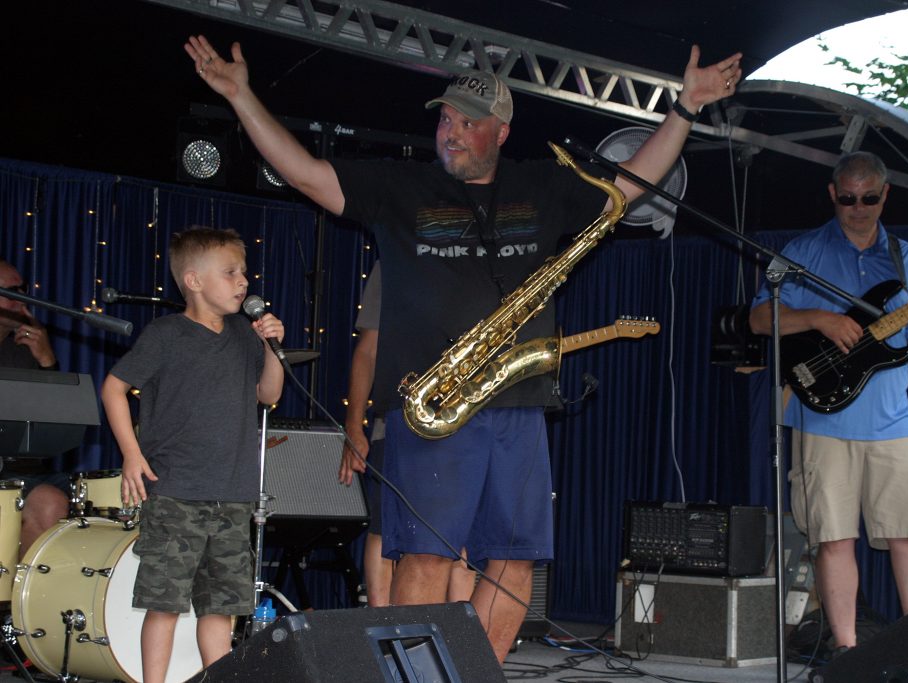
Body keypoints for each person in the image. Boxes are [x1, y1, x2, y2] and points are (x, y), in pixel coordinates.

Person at [186, 34, 741, 662]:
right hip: (435, 403)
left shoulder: (543, 186)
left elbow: (632, 184)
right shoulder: (403, 188)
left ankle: (476, 673)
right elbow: (305, 173)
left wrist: (686, 108)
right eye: (445, 119)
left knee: (516, 558)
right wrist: (240, 95)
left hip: (518, 402)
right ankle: (412, 675)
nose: (449, 131)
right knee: (425, 553)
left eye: (466, 122)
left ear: (501, 132)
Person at [748, 151, 908, 656]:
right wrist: (819, 317)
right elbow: (757, 319)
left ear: (885, 196)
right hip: (821, 416)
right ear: (832, 195)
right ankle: (847, 651)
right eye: (847, 198)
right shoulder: (803, 250)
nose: (858, 207)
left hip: (892, 422)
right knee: (834, 539)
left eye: (869, 198)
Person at [101, 227, 285, 682]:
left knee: (220, 608)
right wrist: (131, 453)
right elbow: (114, 387)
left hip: (233, 493)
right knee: (164, 604)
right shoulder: (167, 334)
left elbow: (269, 394)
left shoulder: (245, 335)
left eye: (243, 272)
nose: (243, 281)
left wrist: (271, 348)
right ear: (195, 281)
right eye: (230, 272)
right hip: (178, 492)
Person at [339, 262, 475, 606]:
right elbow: (368, 349)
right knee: (385, 531)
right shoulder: (393, 261)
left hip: (469, 422)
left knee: (463, 540)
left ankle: (461, 639)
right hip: (399, 420)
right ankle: (379, 626)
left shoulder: (485, 259)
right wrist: (354, 423)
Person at [0, 258, 72, 556]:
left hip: (23, 469)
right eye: (13, 292)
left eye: (24, 289)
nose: (23, 299)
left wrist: (47, 362)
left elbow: (56, 426)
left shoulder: (25, 345)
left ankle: (25, 599)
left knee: (97, 496)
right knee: (49, 500)